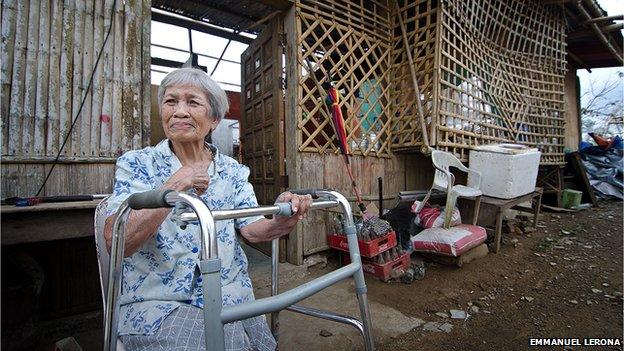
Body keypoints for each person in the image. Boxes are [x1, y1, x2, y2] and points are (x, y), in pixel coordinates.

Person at [103, 67, 312, 350]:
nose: (179, 111)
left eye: (192, 102)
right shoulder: (138, 164)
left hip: (229, 294)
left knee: (254, 344)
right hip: (160, 303)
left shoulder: (232, 171)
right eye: (170, 101)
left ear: (214, 119)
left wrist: (284, 218)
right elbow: (118, 240)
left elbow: (252, 230)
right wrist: (176, 183)